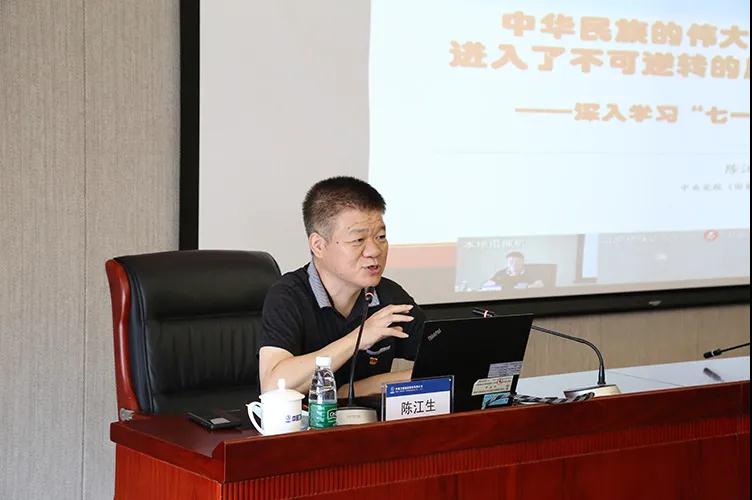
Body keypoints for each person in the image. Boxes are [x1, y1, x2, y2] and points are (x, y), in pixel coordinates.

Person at [258, 176, 425, 398]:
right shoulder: (288, 295)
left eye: (381, 237)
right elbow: (273, 386)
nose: (374, 251)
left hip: (368, 418)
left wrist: (349, 391)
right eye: (358, 240)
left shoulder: (389, 296)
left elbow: (444, 365)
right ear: (318, 245)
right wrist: (358, 338)